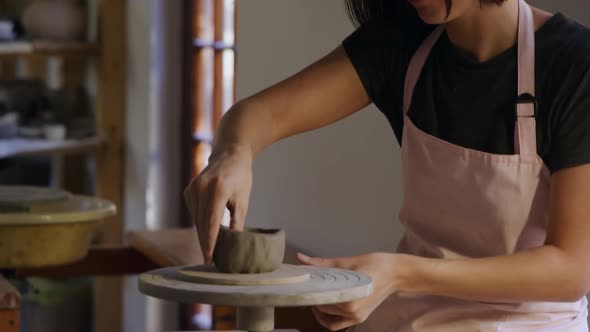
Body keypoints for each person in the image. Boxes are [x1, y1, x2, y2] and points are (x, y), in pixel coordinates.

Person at [184, 0, 590, 330]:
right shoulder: (403, 41)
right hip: (410, 318)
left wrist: (401, 274)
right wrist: (233, 153)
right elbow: (260, 115)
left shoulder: (572, 64)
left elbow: (571, 269)